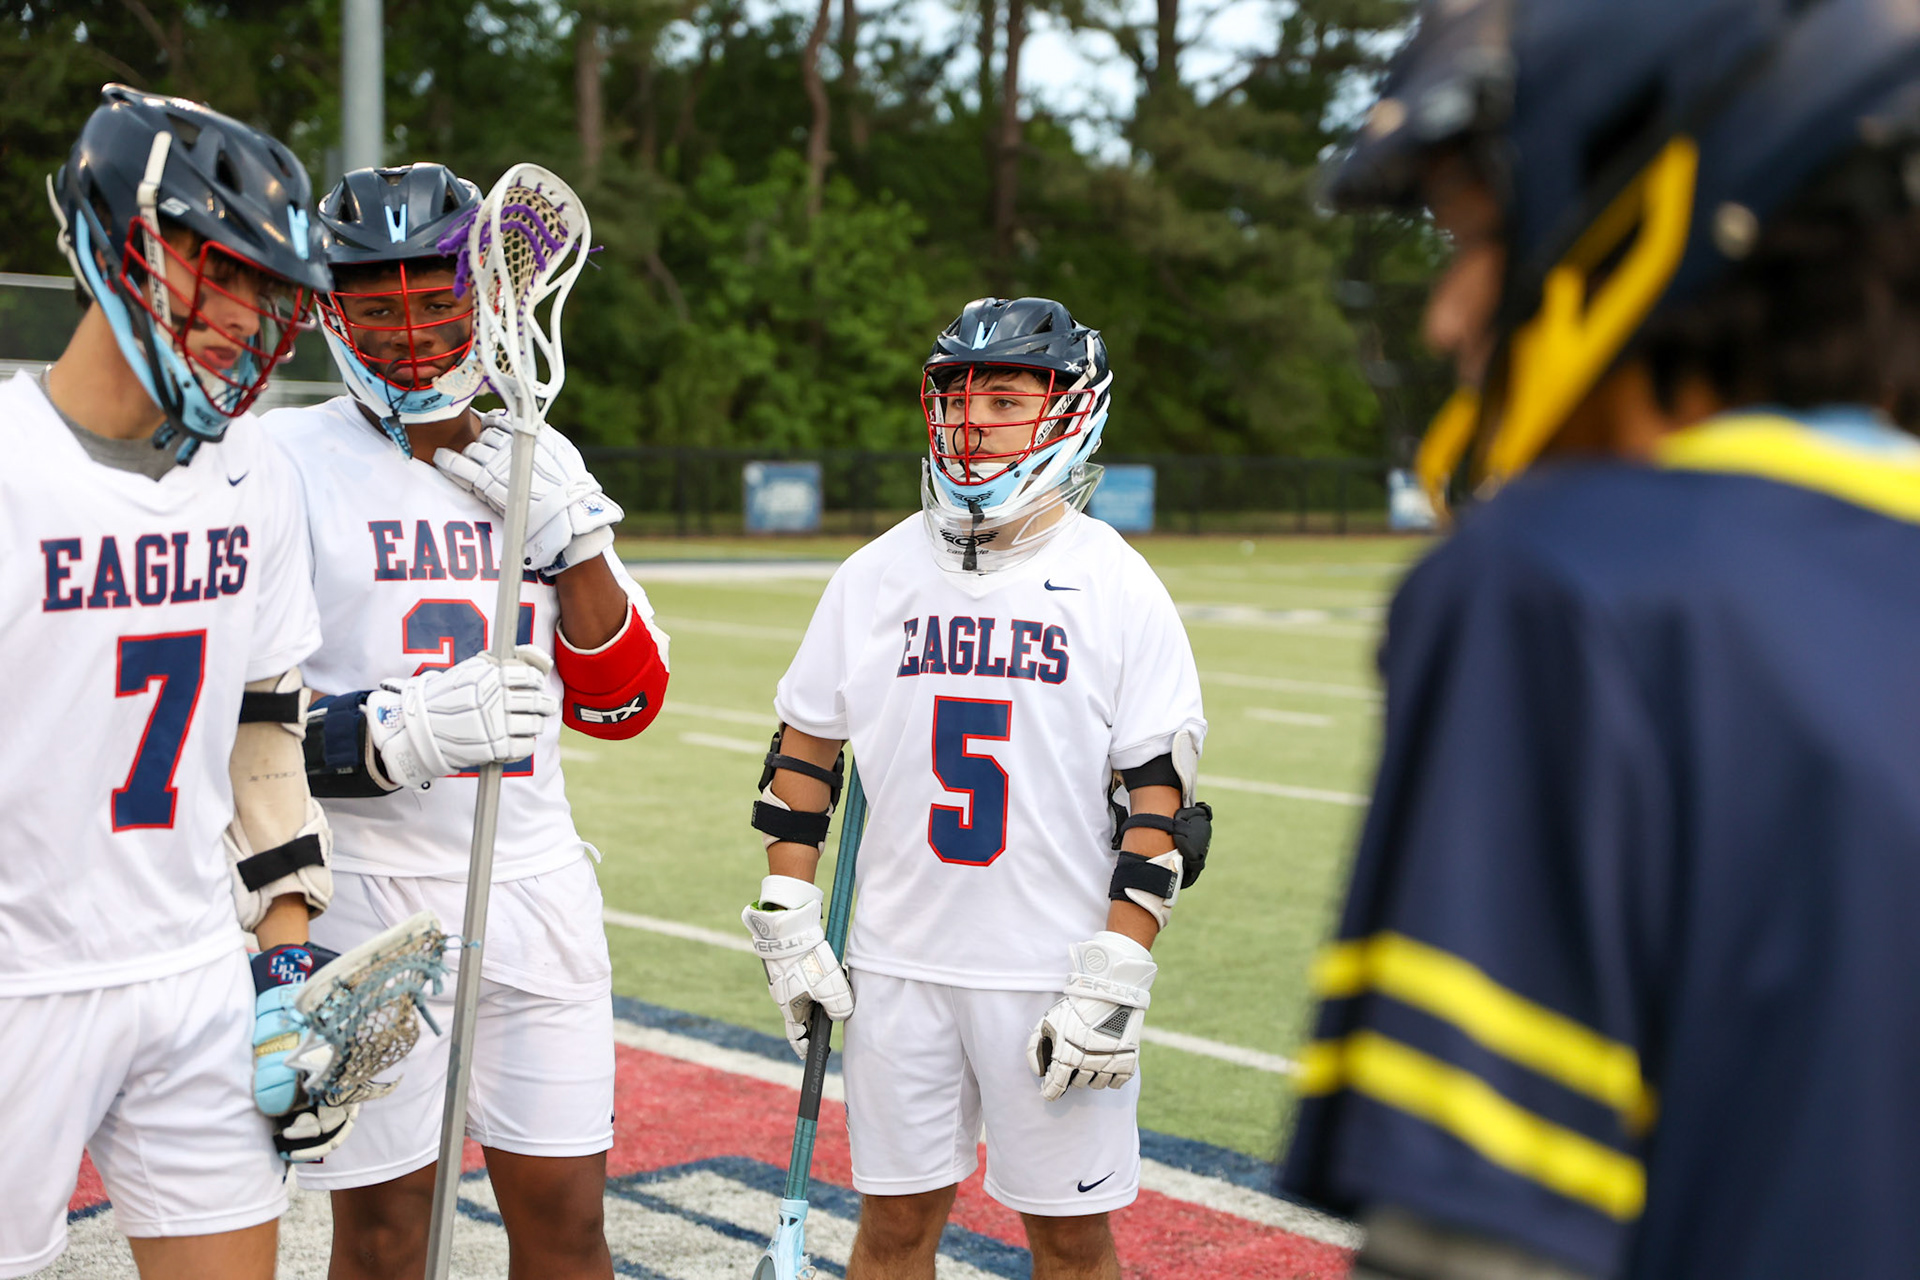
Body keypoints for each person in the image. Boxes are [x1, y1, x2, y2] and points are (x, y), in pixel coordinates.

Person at [1277, 1, 1920, 1277]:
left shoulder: (1562, 584)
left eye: (1473, 237)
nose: (1449, 317)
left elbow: (1475, 1245)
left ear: (1643, 221)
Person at [740, 296, 1212, 1280]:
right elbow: (802, 753)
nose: (973, 421)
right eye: (958, 396)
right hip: (898, 965)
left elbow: (1159, 803)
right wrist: (789, 906)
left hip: (1051, 969)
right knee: (895, 1225)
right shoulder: (875, 573)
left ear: (1071, 410)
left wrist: (1121, 966)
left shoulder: (1118, 586)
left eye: (1003, 397)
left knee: (1072, 1238)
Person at [260, 161, 671, 1280]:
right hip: (367, 900)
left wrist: (572, 539)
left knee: (569, 1228)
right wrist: (386, 732)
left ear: (484, 298)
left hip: (532, 879)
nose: (407, 330)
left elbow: (626, 703)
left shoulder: (539, 452)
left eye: (432, 296)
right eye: (375, 302)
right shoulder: (279, 459)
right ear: (331, 310)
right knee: (387, 1238)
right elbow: (233, 726)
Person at [0, 85, 347, 1279]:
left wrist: (289, 957)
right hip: (17, 978)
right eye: (222, 270)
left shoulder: (255, 473)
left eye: (269, 288)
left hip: (195, 966)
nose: (245, 317)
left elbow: (264, 725)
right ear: (120, 239)